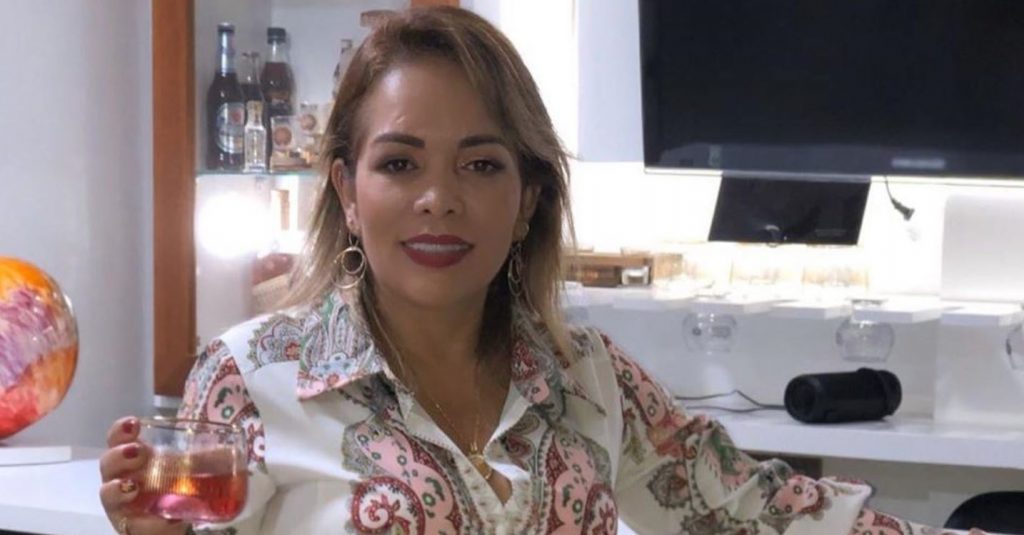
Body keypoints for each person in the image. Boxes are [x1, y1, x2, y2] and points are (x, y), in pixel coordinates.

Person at [99, 6, 982, 535]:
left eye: (481, 164)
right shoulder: (252, 379)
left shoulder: (587, 375)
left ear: (526, 199)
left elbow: (759, 509)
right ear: (347, 190)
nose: (439, 199)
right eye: (400, 164)